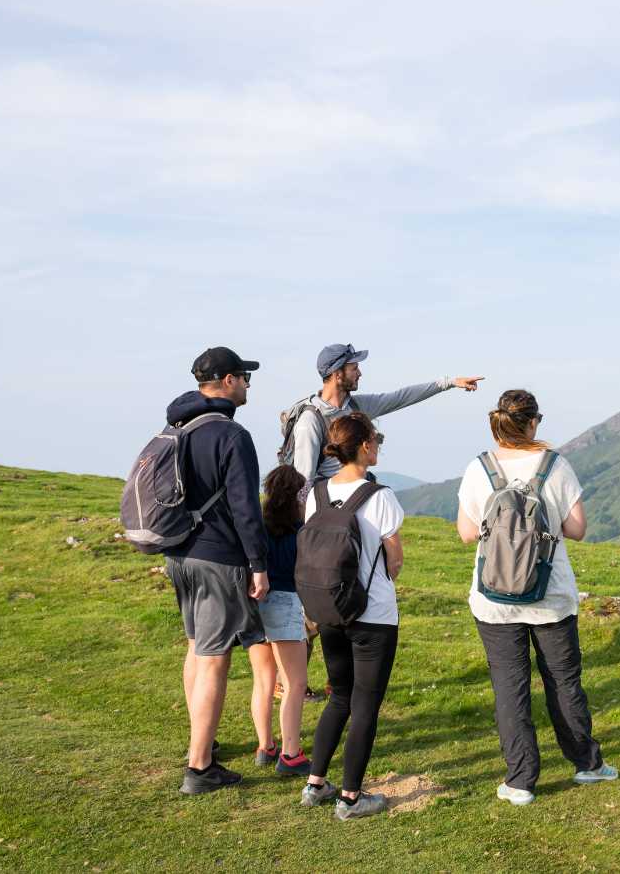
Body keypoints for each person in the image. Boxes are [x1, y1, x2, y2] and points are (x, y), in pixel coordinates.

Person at [455, 389, 616, 807]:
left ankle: (521, 781)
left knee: (510, 689)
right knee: (563, 682)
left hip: (494, 598)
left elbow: (467, 532)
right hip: (551, 596)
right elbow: (578, 529)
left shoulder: (480, 469)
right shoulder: (555, 466)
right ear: (532, 423)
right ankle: (586, 765)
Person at [165, 347, 270, 795]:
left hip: (179, 554)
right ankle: (200, 766)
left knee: (196, 648)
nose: (247, 384)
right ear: (227, 380)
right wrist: (258, 564)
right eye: (244, 376)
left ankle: (201, 743)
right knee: (214, 659)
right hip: (218, 557)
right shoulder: (231, 435)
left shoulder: (178, 427)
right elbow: (246, 507)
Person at [299, 413, 406, 820]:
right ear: (364, 446)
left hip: (329, 610)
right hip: (373, 614)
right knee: (365, 704)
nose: (378, 443)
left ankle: (315, 784)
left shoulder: (317, 493)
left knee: (339, 695)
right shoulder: (380, 496)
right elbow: (394, 558)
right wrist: (384, 578)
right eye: (376, 438)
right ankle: (350, 797)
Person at [286, 342, 484, 486]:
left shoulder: (356, 406)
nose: (360, 373)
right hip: (329, 512)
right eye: (354, 368)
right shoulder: (310, 421)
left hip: (354, 502)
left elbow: (400, 397)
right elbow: (303, 482)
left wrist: (448, 383)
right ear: (338, 375)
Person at [246, 465, 312, 776]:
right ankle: (291, 754)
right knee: (294, 683)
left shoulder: (256, 526)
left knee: (263, 680)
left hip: (254, 605)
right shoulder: (301, 531)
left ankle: (265, 746)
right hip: (284, 603)